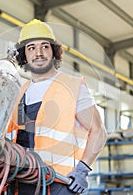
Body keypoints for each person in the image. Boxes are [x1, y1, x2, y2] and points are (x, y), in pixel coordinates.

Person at [6, 19, 108, 195]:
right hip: (21, 182)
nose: (38, 53)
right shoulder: (19, 92)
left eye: (44, 46)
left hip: (60, 183)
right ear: (24, 54)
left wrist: (83, 169)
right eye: (31, 48)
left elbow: (99, 132)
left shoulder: (72, 86)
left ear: (54, 51)